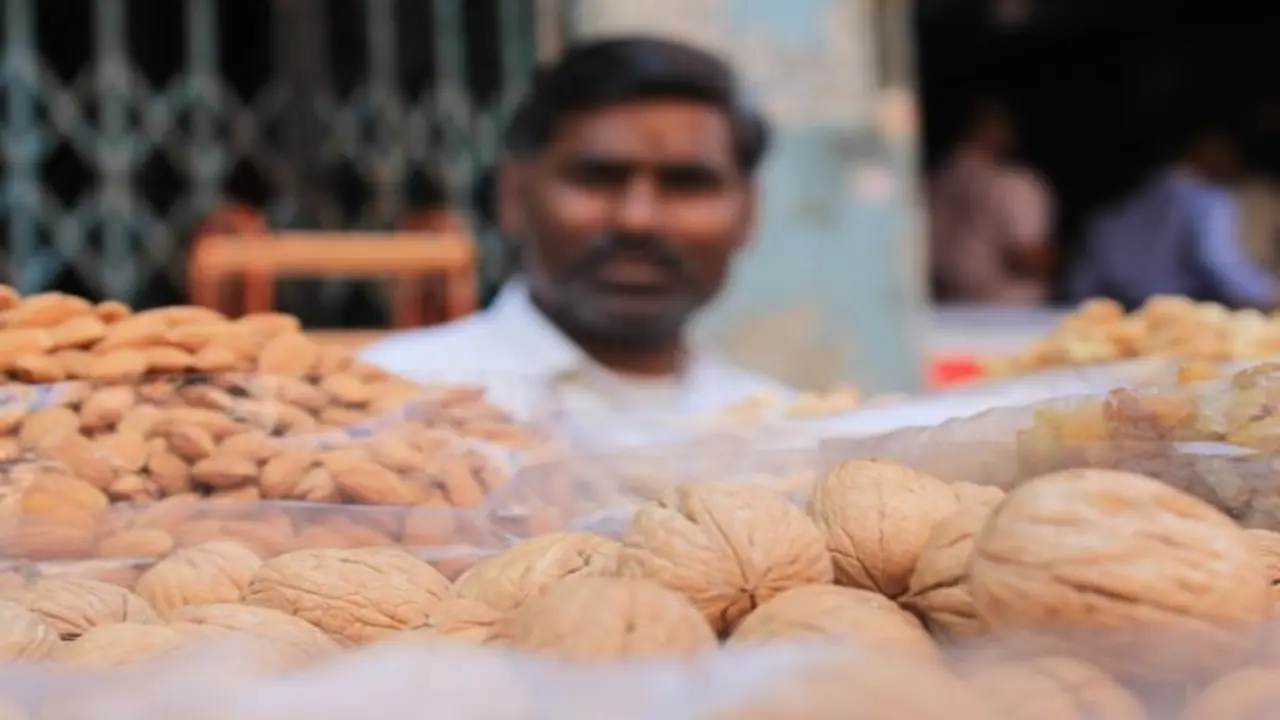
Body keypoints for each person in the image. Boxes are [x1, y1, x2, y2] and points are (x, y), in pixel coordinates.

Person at [358, 36, 790, 425]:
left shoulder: (787, 432)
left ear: (747, 213)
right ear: (513, 196)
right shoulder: (391, 399)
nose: (637, 220)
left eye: (686, 184)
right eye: (597, 177)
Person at [1069, 121, 1279, 311]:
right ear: (1211, 150)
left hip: (1121, 314)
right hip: (1178, 316)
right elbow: (1219, 260)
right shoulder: (1208, 201)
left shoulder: (1130, 199)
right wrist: (1269, 293)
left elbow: (1087, 274)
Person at [927, 99, 1055, 306]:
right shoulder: (1012, 184)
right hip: (1007, 319)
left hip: (945, 312)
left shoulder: (932, 183)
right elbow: (1026, 258)